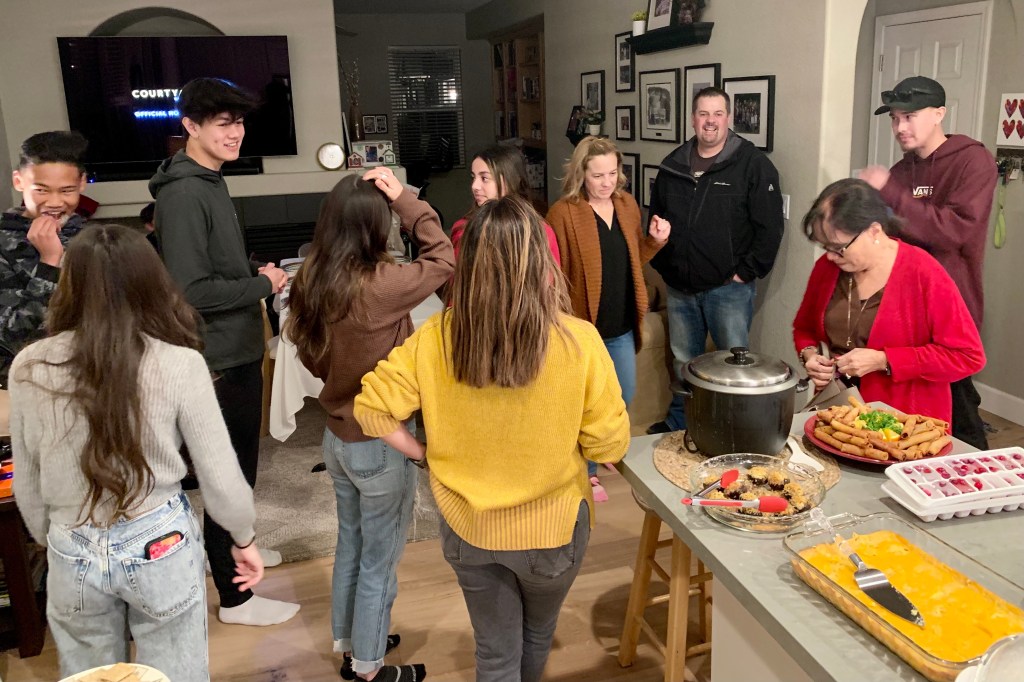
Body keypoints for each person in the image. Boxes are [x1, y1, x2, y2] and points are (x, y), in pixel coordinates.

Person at [353, 196, 630, 682]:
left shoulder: (437, 336)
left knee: (495, 653)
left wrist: (425, 455)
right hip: (552, 533)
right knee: (537, 636)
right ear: (542, 263)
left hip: (468, 528)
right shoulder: (580, 340)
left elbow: (371, 408)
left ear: (470, 266)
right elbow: (609, 446)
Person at [9, 224, 264, 681]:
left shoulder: (29, 365)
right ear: (152, 281)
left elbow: (27, 482)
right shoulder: (180, 363)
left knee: (90, 675)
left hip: (71, 539)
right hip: (158, 539)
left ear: (69, 282)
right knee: (177, 670)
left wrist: (57, 542)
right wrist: (243, 539)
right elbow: (222, 478)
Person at [286, 169, 453, 682]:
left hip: (337, 437)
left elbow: (311, 357)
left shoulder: (312, 278)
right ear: (374, 227)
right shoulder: (381, 285)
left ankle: (355, 642)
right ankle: (369, 668)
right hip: (380, 442)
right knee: (379, 558)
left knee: (352, 546)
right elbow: (443, 257)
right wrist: (405, 199)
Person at [149, 77, 297, 627]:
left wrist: (253, 271)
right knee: (224, 475)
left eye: (239, 122)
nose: (235, 133)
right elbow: (191, 290)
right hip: (216, 357)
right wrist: (261, 285)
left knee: (239, 471)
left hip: (236, 348)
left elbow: (216, 265)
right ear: (190, 125)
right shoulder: (185, 193)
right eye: (222, 123)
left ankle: (241, 546)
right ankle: (236, 598)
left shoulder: (209, 179)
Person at [858, 75, 997, 449]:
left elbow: (953, 232)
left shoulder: (973, 161)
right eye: (894, 118)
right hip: (901, 305)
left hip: (951, 304)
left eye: (910, 116)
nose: (900, 127)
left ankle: (974, 473)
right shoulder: (901, 172)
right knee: (905, 410)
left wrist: (889, 192)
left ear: (939, 113)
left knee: (958, 408)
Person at [646, 86, 784, 434]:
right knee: (684, 362)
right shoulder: (673, 164)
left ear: (729, 118)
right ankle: (681, 423)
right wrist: (665, 266)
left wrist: (745, 273)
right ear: (693, 119)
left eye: (718, 114)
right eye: (703, 114)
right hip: (680, 288)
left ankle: (732, 428)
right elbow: (657, 217)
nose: (710, 121)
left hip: (729, 290)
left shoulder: (753, 165)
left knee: (732, 363)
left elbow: (770, 228)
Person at [793, 179, 985, 424]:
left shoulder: (923, 272)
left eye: (839, 248)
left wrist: (884, 360)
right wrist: (810, 356)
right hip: (839, 415)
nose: (830, 256)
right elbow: (804, 328)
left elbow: (967, 356)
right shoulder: (828, 268)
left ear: (874, 231)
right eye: (825, 247)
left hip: (905, 423)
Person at [546, 136, 669, 501]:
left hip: (621, 324)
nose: (606, 182)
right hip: (583, 329)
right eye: (598, 175)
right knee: (585, 402)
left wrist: (654, 241)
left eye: (612, 173)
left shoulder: (626, 205)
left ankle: (604, 449)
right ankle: (587, 472)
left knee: (622, 395)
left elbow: (631, 261)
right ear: (581, 174)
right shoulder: (563, 213)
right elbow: (554, 271)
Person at [1, 131, 88, 388]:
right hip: (26, 385)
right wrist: (49, 263)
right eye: (41, 190)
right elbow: (13, 338)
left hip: (92, 380)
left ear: (82, 183)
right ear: (18, 181)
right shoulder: (4, 243)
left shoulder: (91, 239)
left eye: (67, 190)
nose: (55, 202)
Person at [451, 144, 560, 265]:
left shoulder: (540, 231)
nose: (474, 186)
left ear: (509, 180)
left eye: (484, 178)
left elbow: (551, 275)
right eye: (473, 177)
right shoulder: (464, 230)